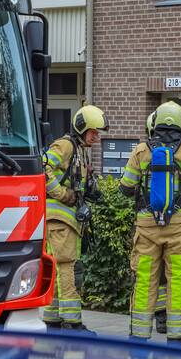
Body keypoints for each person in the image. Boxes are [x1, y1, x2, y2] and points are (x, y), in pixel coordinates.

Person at [121, 101, 181, 345]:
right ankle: (178, 335)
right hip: (180, 229)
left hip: (147, 227)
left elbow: (126, 188)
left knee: (144, 280)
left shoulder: (141, 151)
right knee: (179, 279)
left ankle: (138, 334)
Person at [41, 105, 108, 332]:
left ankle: (53, 318)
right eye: (93, 132)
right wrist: (61, 193)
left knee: (63, 266)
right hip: (59, 219)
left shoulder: (79, 149)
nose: (96, 137)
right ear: (81, 127)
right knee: (68, 266)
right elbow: (43, 167)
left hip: (68, 220)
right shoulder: (65, 145)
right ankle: (72, 322)